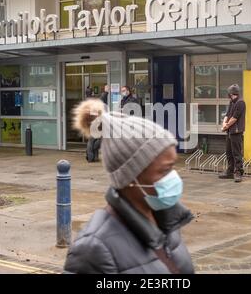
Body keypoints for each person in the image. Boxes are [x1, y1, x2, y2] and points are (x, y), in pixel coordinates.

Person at [64, 99, 194, 274]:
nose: (173, 177)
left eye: (173, 166)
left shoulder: (167, 220)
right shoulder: (93, 250)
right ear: (131, 177)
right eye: (164, 170)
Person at [219, 84, 246, 183]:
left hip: (236, 131)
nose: (228, 96)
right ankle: (230, 171)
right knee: (229, 152)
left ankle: (238, 172)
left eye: (229, 94)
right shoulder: (232, 102)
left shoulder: (240, 103)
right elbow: (227, 115)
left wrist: (226, 126)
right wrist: (224, 123)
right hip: (230, 131)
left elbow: (235, 118)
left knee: (237, 153)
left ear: (231, 93)